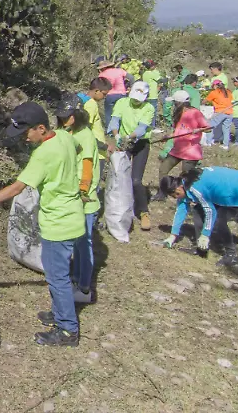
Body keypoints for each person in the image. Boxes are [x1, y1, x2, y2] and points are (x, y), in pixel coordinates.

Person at [0, 102, 85, 348]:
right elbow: (79, 145)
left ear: (41, 128)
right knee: (57, 273)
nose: (25, 139)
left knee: (57, 277)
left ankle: (67, 330)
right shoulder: (63, 136)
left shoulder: (43, 153)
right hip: (71, 215)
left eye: (27, 133)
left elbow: (18, 187)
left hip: (58, 222)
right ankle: (59, 313)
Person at [159, 167, 238, 267]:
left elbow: (210, 211)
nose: (176, 198)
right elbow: (181, 209)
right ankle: (201, 249)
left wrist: (205, 235)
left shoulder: (195, 188)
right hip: (224, 189)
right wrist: (173, 236)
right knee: (197, 210)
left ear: (178, 188)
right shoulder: (184, 184)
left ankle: (232, 255)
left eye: (176, 195)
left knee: (218, 220)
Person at [56, 98, 102, 305]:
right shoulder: (68, 133)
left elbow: (86, 168)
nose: (63, 120)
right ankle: (75, 279)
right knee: (75, 240)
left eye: (66, 117)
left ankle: (84, 288)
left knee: (84, 243)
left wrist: (82, 192)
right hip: (70, 196)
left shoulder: (85, 136)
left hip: (84, 199)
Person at [108, 80, 155, 231]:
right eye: (134, 98)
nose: (136, 101)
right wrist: (117, 137)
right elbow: (114, 121)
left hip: (140, 143)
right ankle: (121, 210)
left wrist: (130, 137)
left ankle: (143, 212)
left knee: (135, 180)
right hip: (123, 143)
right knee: (121, 177)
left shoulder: (148, 108)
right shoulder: (122, 102)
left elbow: (142, 128)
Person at [154, 90, 212, 196]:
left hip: (190, 151)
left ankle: (186, 196)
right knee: (163, 169)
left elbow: (208, 128)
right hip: (177, 149)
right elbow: (178, 131)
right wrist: (168, 137)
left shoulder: (195, 113)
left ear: (179, 102)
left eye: (174, 102)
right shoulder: (179, 113)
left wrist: (199, 129)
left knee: (186, 176)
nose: (173, 105)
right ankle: (162, 193)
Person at [203, 80, 235, 151]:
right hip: (230, 112)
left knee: (210, 126)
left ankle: (208, 142)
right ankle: (225, 145)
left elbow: (205, 101)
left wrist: (201, 103)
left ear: (215, 85)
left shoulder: (215, 92)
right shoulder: (228, 92)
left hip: (220, 112)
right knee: (226, 129)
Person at [94, 56, 129, 121]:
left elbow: (99, 85)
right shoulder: (120, 71)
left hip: (110, 96)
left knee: (109, 114)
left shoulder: (102, 74)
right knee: (121, 113)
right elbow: (131, 77)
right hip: (122, 95)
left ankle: (109, 129)